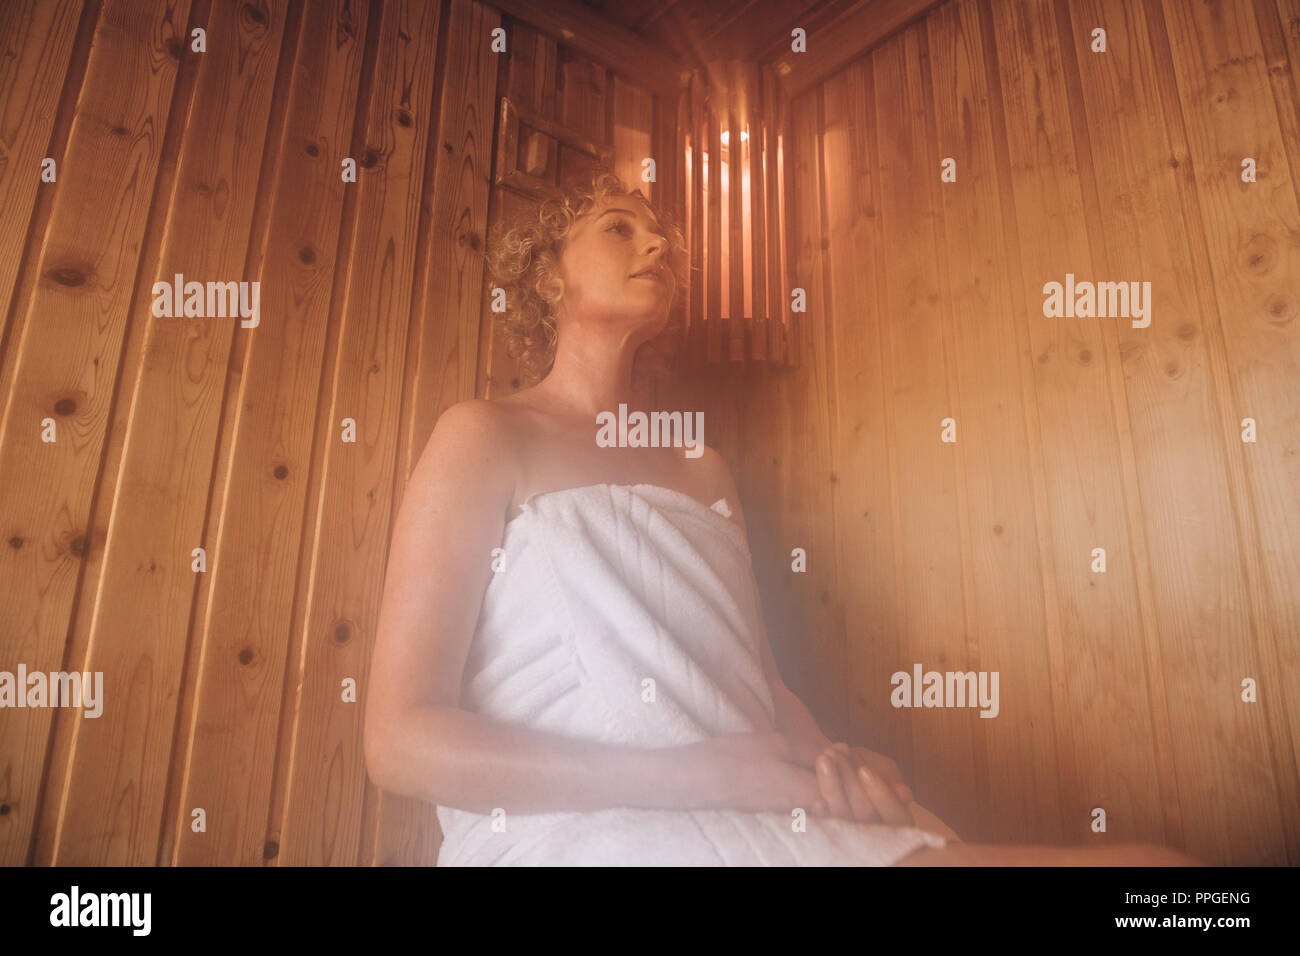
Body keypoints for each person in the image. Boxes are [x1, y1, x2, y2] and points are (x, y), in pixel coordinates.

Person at [363, 166, 1199, 866]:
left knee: (1168, 883)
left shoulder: (700, 466)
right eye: (620, 228)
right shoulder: (483, 436)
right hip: (575, 828)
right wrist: (703, 777)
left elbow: (760, 683)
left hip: (761, 801)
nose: (657, 245)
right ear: (549, 275)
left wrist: (833, 764)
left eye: (659, 235)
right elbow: (400, 741)